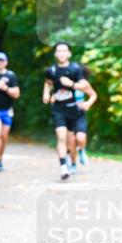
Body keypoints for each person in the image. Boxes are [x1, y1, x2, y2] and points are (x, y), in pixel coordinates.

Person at [42, 42, 97, 181]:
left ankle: (81, 151)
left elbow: (85, 87)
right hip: (59, 109)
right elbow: (48, 83)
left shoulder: (75, 69)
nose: (61, 53)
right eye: (58, 51)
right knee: (62, 138)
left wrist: (71, 84)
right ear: (55, 54)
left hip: (75, 110)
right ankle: (64, 167)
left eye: (64, 50)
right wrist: (46, 94)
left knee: (78, 139)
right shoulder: (51, 70)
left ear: (69, 53)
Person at [72, 64, 92, 167]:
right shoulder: (66, 82)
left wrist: (87, 104)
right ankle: (72, 164)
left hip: (79, 114)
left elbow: (93, 95)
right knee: (70, 142)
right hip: (66, 114)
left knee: (80, 137)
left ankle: (82, 150)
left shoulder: (83, 83)